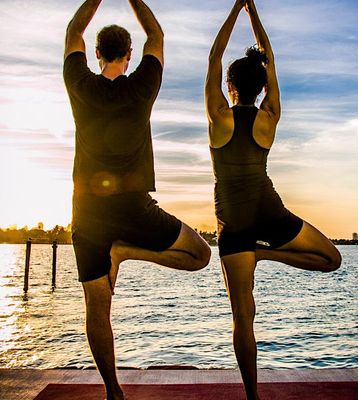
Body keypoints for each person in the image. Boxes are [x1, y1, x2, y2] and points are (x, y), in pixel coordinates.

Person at [63, 1, 211, 399]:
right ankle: (126, 250)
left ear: (96, 53)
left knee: (96, 306)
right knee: (200, 255)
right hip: (133, 207)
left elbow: (73, 31)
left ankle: (114, 392)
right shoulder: (142, 86)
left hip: (87, 211)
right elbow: (157, 36)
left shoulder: (79, 83)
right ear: (129, 56)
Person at [205, 0, 342, 399]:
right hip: (271, 215)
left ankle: (252, 397)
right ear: (262, 87)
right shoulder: (270, 116)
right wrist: (253, 14)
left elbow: (215, 56)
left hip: (232, 225)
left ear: (230, 87)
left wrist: (235, 10)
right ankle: (266, 253)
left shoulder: (218, 116)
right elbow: (271, 58)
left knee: (243, 319)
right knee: (331, 259)